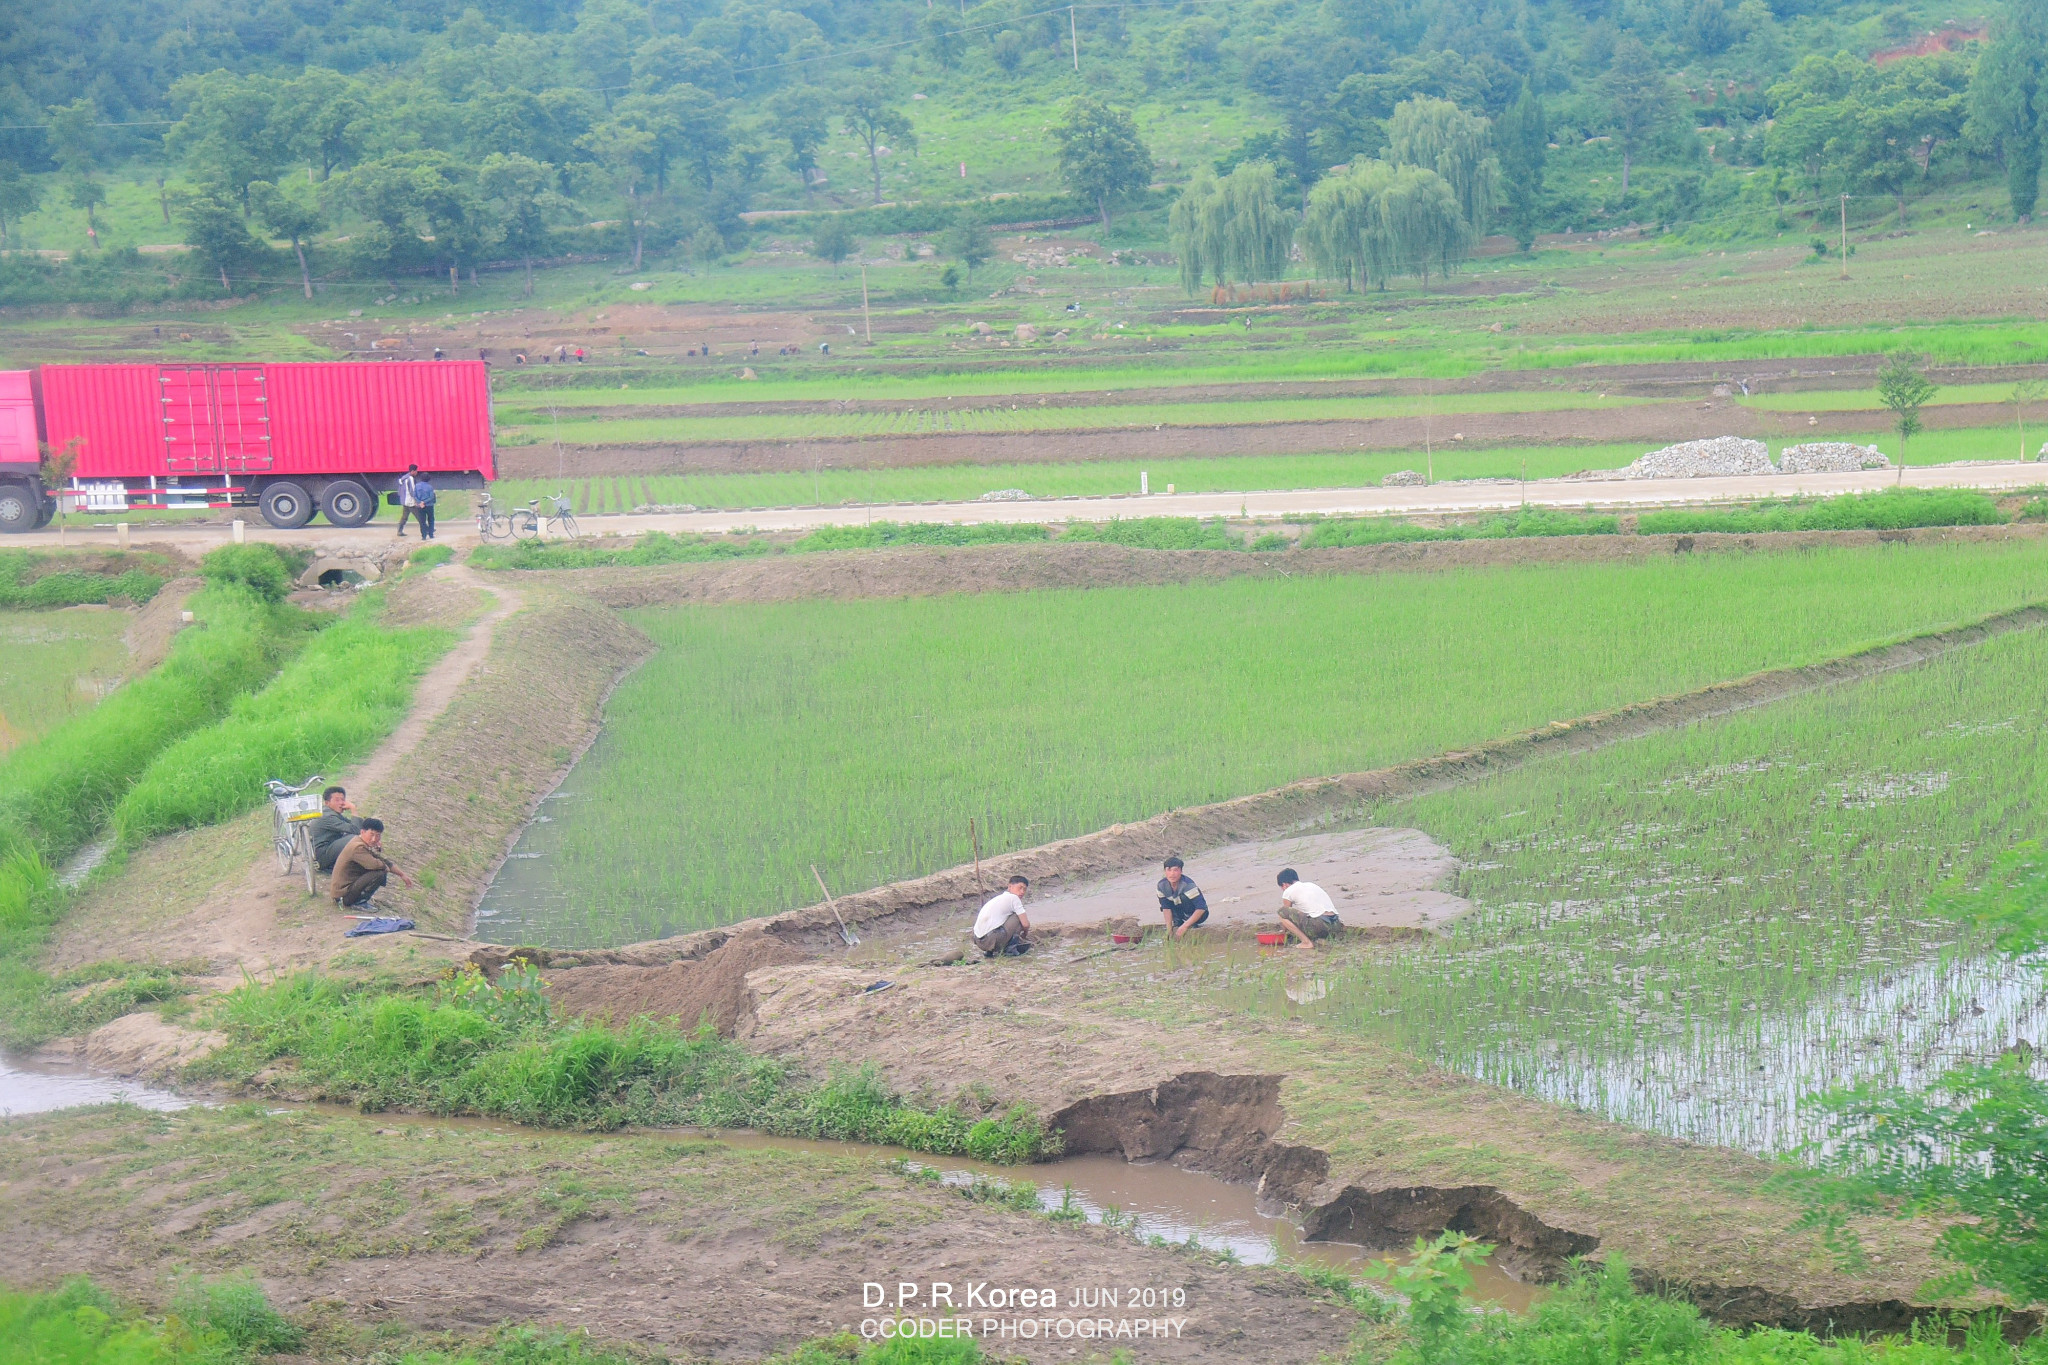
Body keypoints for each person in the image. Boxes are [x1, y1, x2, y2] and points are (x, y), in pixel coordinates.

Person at [329, 818, 413, 908]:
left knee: (380, 869)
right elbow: (375, 865)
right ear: (362, 832)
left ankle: (358, 900)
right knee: (379, 873)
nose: (374, 839)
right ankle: (359, 902)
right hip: (342, 896)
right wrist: (385, 867)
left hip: (347, 890)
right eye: (371, 835)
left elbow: (383, 860)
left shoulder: (361, 842)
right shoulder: (357, 847)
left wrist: (402, 874)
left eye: (377, 836)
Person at [1275, 868, 1342, 950]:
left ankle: (1306, 942)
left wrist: (1283, 932)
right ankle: (1321, 939)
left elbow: (1285, 912)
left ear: (1284, 884)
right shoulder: (1311, 885)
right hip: (1336, 924)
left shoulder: (1288, 891)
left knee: (1281, 912)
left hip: (1320, 924)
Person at [972, 875, 1032, 957]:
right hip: (990, 939)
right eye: (1020, 888)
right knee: (1017, 916)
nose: (1022, 892)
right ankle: (1010, 950)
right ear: (1010, 886)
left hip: (978, 941)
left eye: (1024, 889)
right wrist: (1025, 934)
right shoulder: (1014, 898)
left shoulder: (998, 899)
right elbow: (1025, 924)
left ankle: (989, 952)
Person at [309, 786, 361, 873]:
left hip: (327, 851)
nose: (341, 803)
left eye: (343, 800)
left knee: (358, 837)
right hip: (321, 858)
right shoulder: (328, 816)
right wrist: (353, 809)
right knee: (355, 838)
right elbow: (357, 831)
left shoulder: (331, 813)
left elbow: (358, 827)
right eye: (337, 800)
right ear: (327, 803)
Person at [1157, 856, 1209, 939]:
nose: (1172, 874)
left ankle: (1190, 922)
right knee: (1166, 904)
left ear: (1181, 871)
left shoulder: (1188, 885)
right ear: (1165, 871)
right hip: (1180, 911)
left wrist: (1185, 926)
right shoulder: (1161, 886)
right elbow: (1166, 908)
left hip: (1199, 914)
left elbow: (1201, 908)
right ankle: (1178, 921)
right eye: (1169, 870)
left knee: (1183, 897)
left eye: (1175, 870)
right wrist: (1169, 929)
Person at [394, 464, 419, 538]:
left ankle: (399, 530)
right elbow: (412, 491)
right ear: (412, 471)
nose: (417, 472)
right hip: (410, 501)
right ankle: (427, 529)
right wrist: (417, 500)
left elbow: (400, 490)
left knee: (404, 516)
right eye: (416, 471)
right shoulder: (410, 479)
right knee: (419, 515)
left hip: (404, 500)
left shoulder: (403, 478)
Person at [412, 474, 437, 540]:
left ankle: (424, 536)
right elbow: (431, 497)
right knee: (431, 519)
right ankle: (431, 535)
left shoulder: (417, 486)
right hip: (429, 506)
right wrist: (424, 502)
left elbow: (414, 495)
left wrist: (420, 502)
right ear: (428, 479)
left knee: (422, 521)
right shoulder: (430, 487)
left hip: (420, 506)